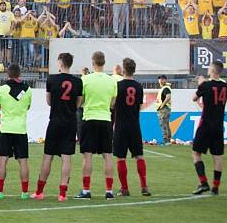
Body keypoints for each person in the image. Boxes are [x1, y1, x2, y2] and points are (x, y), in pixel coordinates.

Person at [33, 52, 82, 202]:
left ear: (60, 63)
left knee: (48, 156)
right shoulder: (78, 82)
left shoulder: (51, 79)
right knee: (66, 157)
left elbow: (48, 102)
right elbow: (78, 104)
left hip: (55, 121)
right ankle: (62, 194)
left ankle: (39, 191)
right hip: (70, 122)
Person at [75, 51, 117, 200]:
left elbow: (81, 101)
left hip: (89, 118)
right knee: (108, 155)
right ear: (104, 62)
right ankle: (109, 191)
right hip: (105, 119)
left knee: (87, 156)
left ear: (93, 62)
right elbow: (113, 103)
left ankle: (86, 190)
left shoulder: (85, 79)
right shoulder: (112, 81)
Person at [191, 60, 227, 195]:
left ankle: (203, 183)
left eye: (209, 68)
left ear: (212, 70)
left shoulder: (205, 85)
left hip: (206, 124)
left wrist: (201, 84)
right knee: (218, 156)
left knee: (196, 153)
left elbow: (194, 98)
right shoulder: (226, 87)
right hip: (219, 125)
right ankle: (215, 187)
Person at [113, 58, 150, 197]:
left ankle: (124, 188)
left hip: (121, 125)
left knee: (121, 158)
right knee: (139, 156)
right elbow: (140, 106)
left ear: (123, 70)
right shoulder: (139, 86)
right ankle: (144, 187)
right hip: (134, 124)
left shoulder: (118, 86)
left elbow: (113, 104)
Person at [0, 63, 32, 199]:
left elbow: (0, 106)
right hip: (20, 129)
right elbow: (27, 107)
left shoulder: (1, 89)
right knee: (23, 161)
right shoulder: (28, 90)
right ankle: (24, 193)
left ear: (7, 75)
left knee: (3, 160)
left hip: (5, 129)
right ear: (19, 74)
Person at [156, 75, 172, 145]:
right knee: (166, 124)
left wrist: (162, 105)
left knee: (163, 124)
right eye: (159, 79)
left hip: (164, 109)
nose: (161, 80)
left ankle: (166, 140)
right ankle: (168, 140)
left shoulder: (165, 88)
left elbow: (168, 97)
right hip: (165, 108)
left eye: (162, 79)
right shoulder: (164, 88)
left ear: (165, 80)